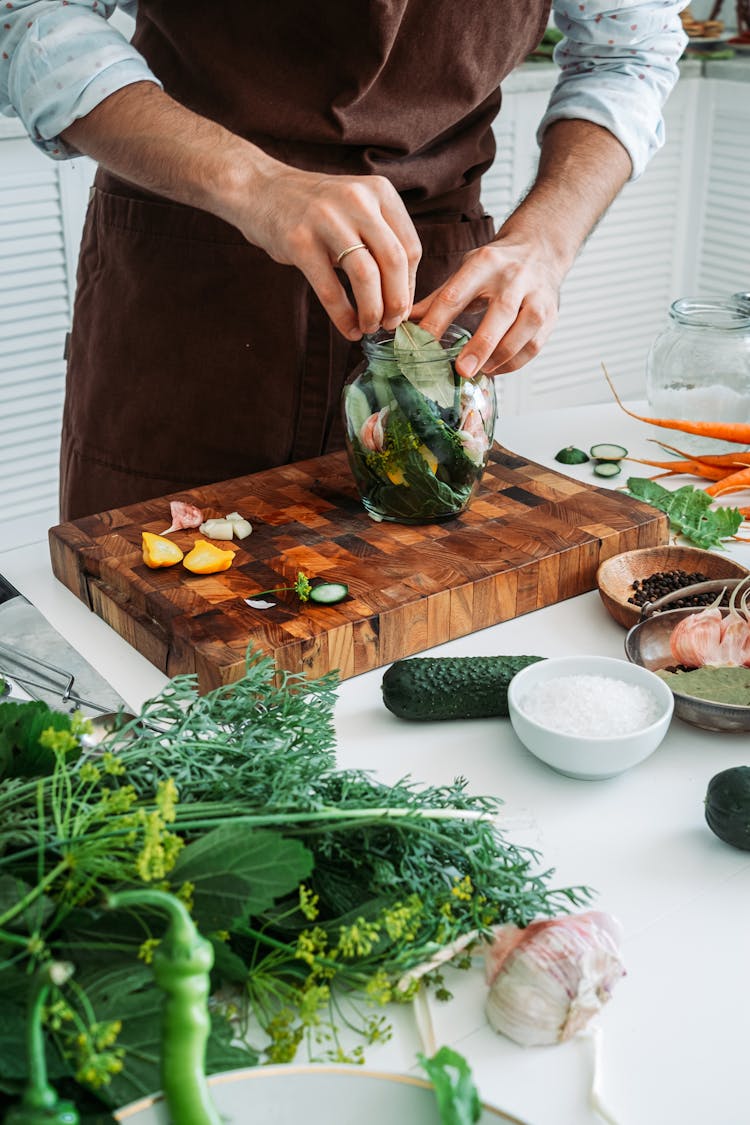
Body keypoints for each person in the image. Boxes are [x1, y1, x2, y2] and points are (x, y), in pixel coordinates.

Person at [0, 2, 688, 520]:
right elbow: (30, 17)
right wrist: (250, 181)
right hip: (188, 286)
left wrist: (547, 238)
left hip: (431, 280)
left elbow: (626, 53)